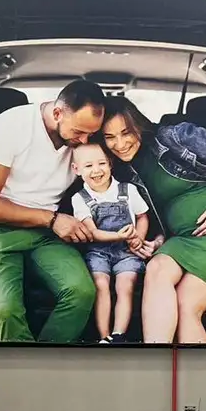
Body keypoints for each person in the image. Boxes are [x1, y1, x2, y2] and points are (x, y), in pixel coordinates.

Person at [97, 97, 206, 344]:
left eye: (126, 132)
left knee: (187, 305)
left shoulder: (175, 136)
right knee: (157, 268)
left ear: (138, 125)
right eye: (110, 137)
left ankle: (188, 370)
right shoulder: (122, 171)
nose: (120, 144)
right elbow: (156, 214)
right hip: (184, 238)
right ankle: (156, 356)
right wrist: (157, 241)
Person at [0, 79, 108, 343]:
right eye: (78, 131)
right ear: (58, 113)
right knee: (7, 311)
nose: (84, 140)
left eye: (91, 134)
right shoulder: (12, 125)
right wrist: (53, 220)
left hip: (44, 234)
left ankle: (46, 362)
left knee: (82, 293)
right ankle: (22, 369)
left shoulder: (83, 139)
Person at [69, 143, 153, 344]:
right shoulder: (80, 198)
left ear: (110, 164)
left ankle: (118, 334)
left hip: (127, 251)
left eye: (102, 163)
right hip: (98, 251)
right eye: (88, 166)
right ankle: (103, 336)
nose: (96, 170)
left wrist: (139, 237)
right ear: (76, 169)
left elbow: (142, 216)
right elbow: (92, 233)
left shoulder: (127, 189)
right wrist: (119, 236)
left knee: (125, 285)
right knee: (101, 284)